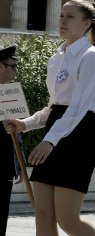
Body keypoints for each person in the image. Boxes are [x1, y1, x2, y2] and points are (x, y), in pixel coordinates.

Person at [4, 0, 95, 236]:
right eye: (61, 16)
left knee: (67, 219)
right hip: (56, 129)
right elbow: (55, 106)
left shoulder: (92, 56)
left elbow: (79, 108)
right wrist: (25, 124)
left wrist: (50, 140)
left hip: (79, 137)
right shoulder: (57, 57)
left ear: (86, 24)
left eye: (69, 17)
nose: (62, 21)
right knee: (42, 216)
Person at [0, 46, 21, 236]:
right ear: (1, 67)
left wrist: (19, 164)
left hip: (5, 167)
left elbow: (17, 133)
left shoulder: (11, 92)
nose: (15, 71)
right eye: (12, 66)